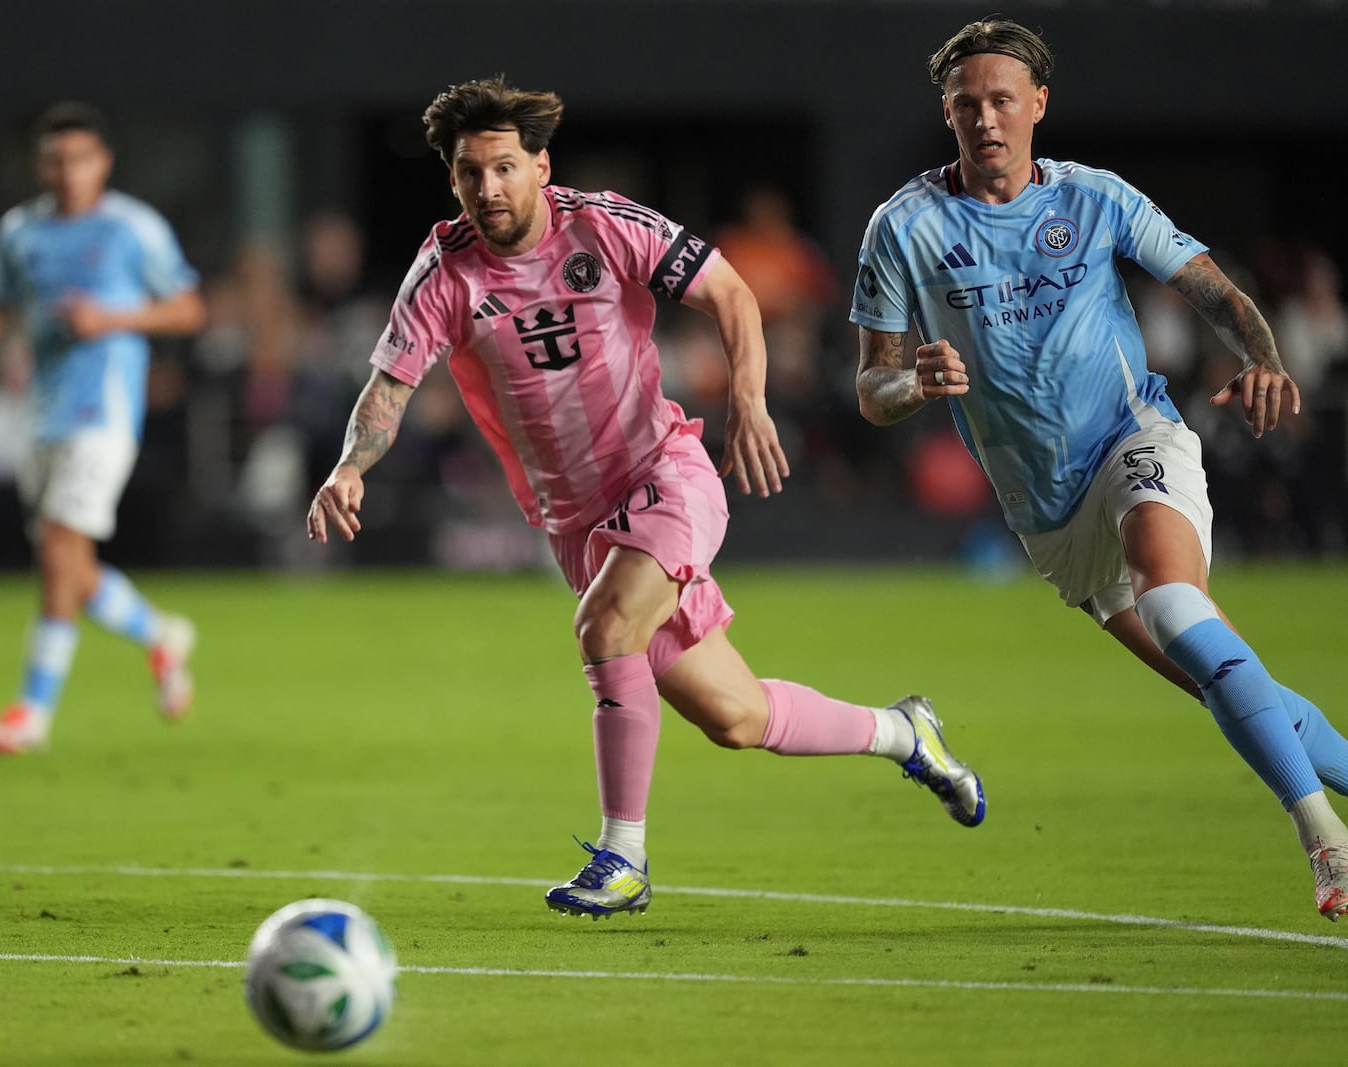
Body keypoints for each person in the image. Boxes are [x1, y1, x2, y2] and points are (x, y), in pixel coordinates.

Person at [307, 77, 986, 920]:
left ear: (539, 166)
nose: (488, 189)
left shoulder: (603, 224)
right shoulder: (446, 271)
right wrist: (349, 467)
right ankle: (904, 733)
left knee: (603, 626)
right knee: (737, 716)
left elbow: (732, 292)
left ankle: (622, 857)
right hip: (576, 524)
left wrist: (747, 400)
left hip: (664, 474)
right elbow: (390, 385)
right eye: (470, 172)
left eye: (504, 168)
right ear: (452, 179)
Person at [850, 19, 1348, 920]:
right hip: (1046, 515)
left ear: (1038, 104)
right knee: (1233, 685)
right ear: (949, 114)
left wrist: (1263, 357)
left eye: (1003, 100)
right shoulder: (904, 226)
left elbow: (1218, 292)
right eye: (967, 104)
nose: (986, 119)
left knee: (1175, 602)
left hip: (1134, 439)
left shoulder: (1095, 199)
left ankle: (1325, 840)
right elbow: (872, 388)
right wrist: (912, 382)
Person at [0, 101, 207, 754]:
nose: (68, 171)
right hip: (41, 417)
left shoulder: (133, 228)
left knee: (55, 553)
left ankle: (32, 712)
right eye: (56, 159)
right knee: (70, 565)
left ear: (102, 162)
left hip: (103, 414)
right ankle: (161, 634)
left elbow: (188, 307)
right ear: (41, 165)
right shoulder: (21, 231)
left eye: (80, 158)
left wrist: (112, 320)